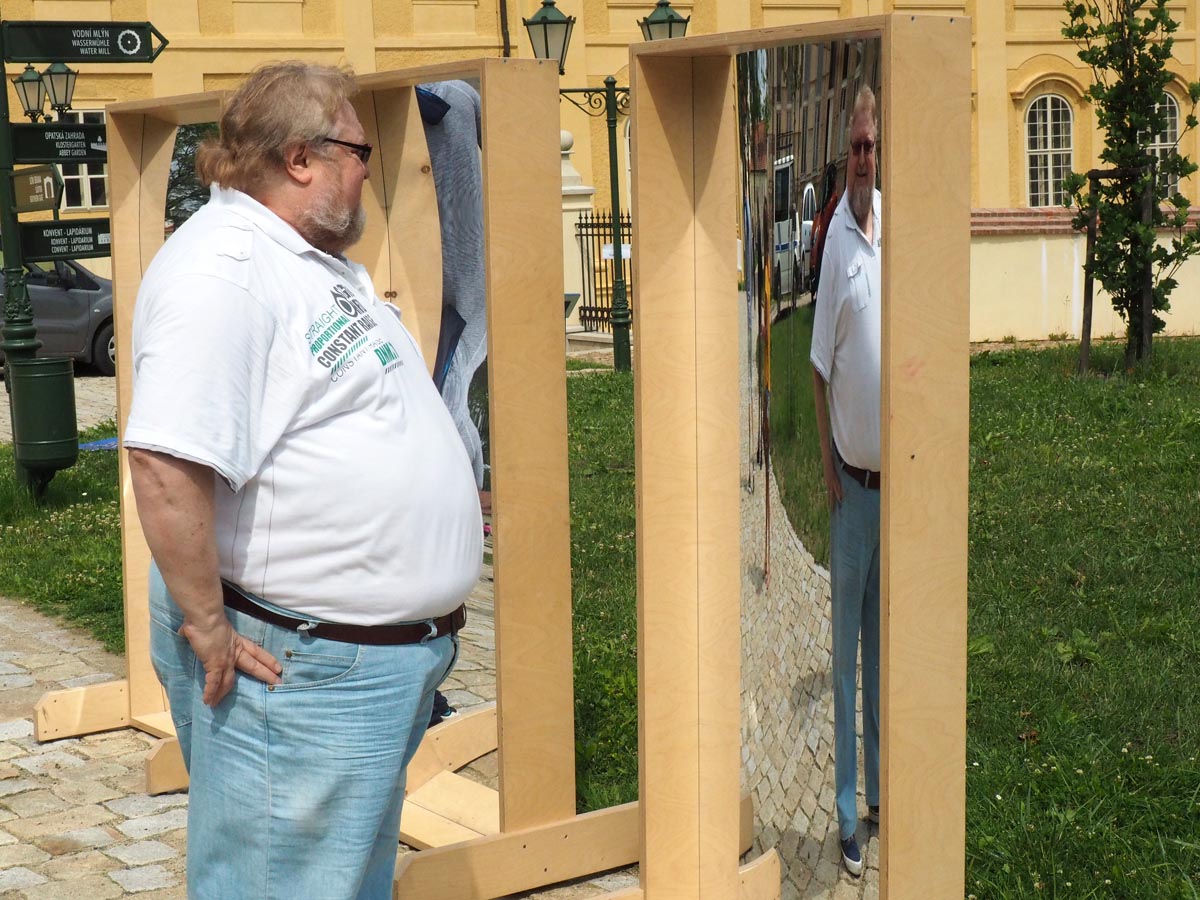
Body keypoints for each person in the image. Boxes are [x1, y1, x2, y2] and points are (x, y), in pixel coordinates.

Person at [124, 61, 482, 899]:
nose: (368, 172)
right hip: (301, 670)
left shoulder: (300, 260)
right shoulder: (225, 272)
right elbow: (164, 462)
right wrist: (207, 626)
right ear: (299, 158)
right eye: (359, 151)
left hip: (352, 668)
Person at [809, 86, 881, 878]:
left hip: (901, 490)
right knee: (845, 657)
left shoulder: (898, 228)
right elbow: (819, 363)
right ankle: (846, 812)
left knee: (884, 653)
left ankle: (884, 794)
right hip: (852, 490)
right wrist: (827, 465)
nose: (863, 159)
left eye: (871, 147)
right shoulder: (836, 239)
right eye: (855, 148)